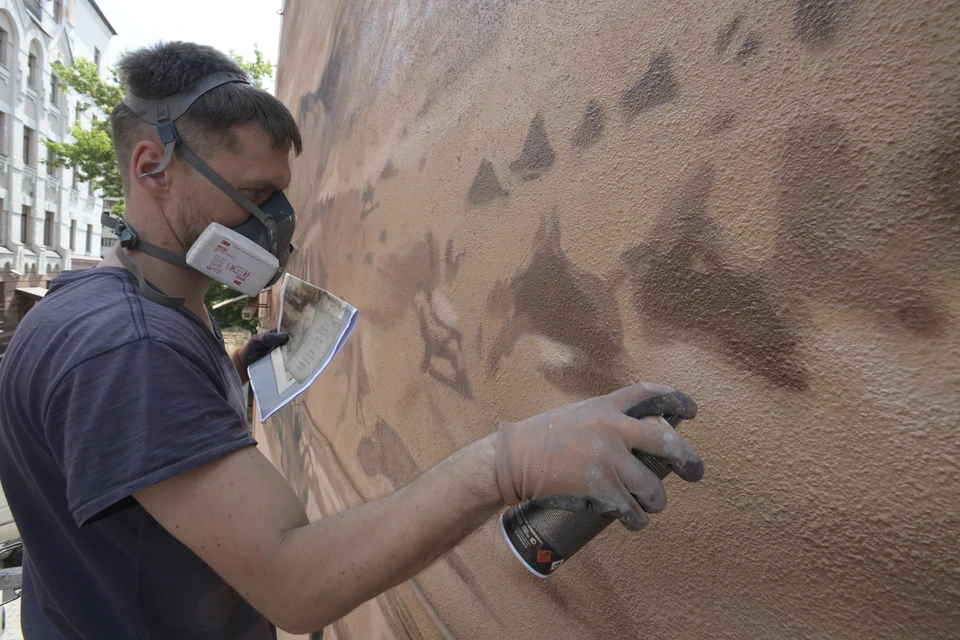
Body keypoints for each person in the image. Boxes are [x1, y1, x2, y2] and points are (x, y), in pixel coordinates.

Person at [0, 42, 705, 639]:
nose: (275, 224)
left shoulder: (110, 304)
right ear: (152, 167)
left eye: (280, 197)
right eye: (253, 192)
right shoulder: (127, 349)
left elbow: (128, 461)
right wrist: (508, 463)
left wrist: (236, 380)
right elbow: (294, 581)